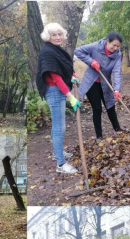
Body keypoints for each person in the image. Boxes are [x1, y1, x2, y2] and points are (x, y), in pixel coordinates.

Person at [36, 22, 81, 174]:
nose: (57, 37)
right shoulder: (47, 52)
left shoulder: (57, 50)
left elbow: (66, 68)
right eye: (54, 35)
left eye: (59, 34)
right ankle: (60, 164)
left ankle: (57, 153)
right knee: (58, 127)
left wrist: (73, 77)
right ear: (48, 37)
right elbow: (55, 77)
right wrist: (71, 97)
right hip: (54, 92)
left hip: (59, 91)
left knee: (60, 127)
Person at [75, 32, 124, 139]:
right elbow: (78, 51)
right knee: (97, 109)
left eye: (118, 46)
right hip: (91, 83)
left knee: (110, 106)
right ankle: (99, 136)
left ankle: (118, 129)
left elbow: (117, 72)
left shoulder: (117, 55)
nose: (115, 48)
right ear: (107, 41)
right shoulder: (96, 47)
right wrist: (91, 61)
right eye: (114, 45)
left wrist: (116, 89)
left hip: (105, 83)